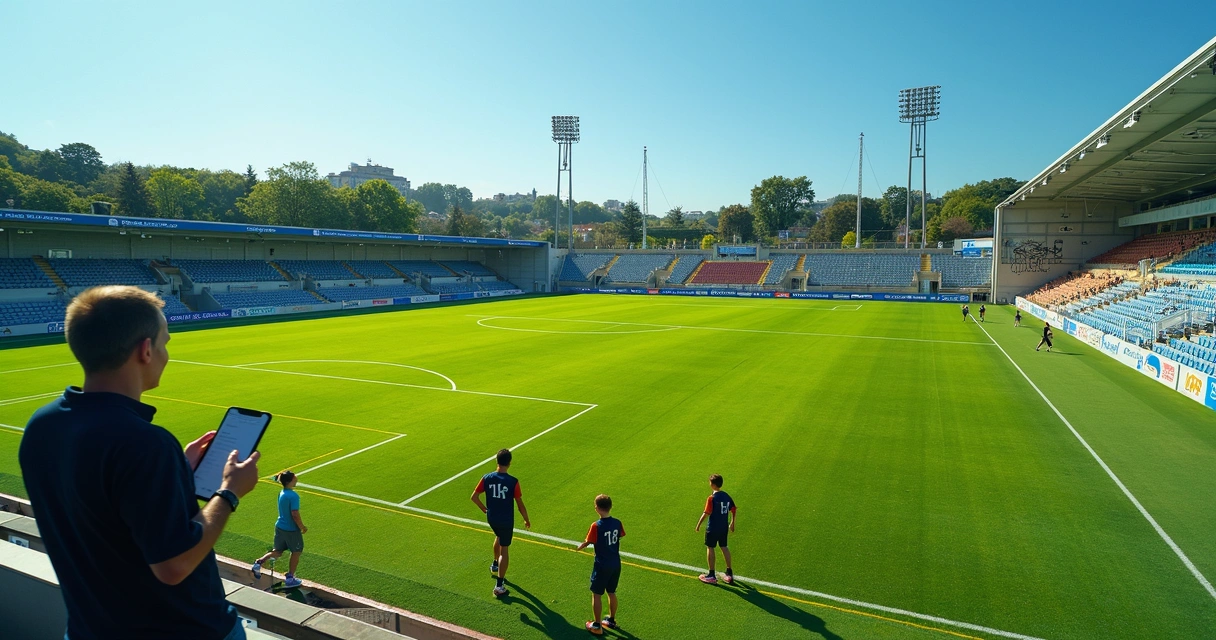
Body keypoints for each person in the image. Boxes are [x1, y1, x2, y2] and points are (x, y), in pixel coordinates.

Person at [19, 285, 261, 640]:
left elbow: (103, 503)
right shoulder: (144, 444)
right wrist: (229, 493)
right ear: (145, 350)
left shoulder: (43, 424)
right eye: (164, 343)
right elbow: (173, 565)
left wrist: (174, 473)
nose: (165, 353)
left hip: (90, 629)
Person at [471, 448, 531, 597]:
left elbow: (474, 497)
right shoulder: (513, 482)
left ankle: (495, 564)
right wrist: (526, 518)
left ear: (496, 461)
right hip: (506, 519)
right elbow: (519, 503)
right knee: (505, 549)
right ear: (509, 463)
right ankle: (499, 585)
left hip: (492, 518)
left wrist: (485, 510)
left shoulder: (487, 478)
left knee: (498, 536)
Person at [576, 495, 624, 636]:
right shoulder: (617, 522)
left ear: (597, 508)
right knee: (611, 591)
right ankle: (611, 620)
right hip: (616, 563)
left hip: (602, 564)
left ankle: (597, 625)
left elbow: (589, 541)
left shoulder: (596, 525)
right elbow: (619, 536)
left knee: (596, 594)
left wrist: (580, 546)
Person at [252, 470, 307, 587]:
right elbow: (295, 514)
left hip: (280, 527)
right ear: (291, 480)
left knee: (277, 551)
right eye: (294, 476)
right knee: (296, 552)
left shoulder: (282, 492)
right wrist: (302, 527)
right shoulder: (293, 495)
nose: (296, 478)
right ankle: (290, 578)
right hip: (291, 529)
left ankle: (259, 562)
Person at [695, 474, 736, 585]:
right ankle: (729, 572)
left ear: (712, 484)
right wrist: (732, 522)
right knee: (724, 547)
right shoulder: (726, 496)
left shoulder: (712, 498)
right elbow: (733, 508)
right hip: (723, 527)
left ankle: (711, 575)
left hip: (713, 528)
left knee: (710, 547)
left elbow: (706, 513)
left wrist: (698, 525)